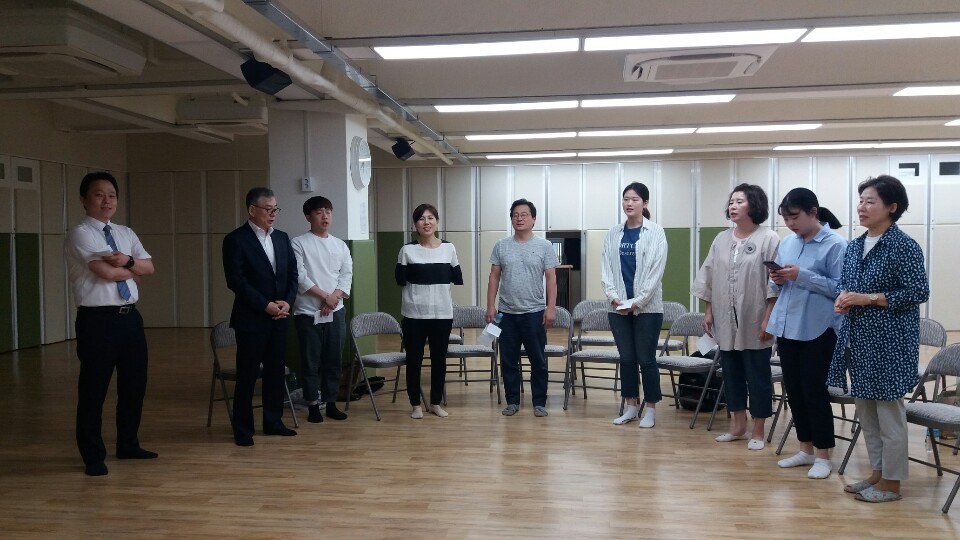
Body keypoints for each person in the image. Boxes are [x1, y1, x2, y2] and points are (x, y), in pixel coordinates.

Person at [828, 175, 929, 503]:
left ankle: (892, 483)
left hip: (890, 343)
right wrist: (843, 297)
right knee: (867, 414)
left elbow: (917, 291)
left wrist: (868, 298)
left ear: (891, 207)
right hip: (858, 340)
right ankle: (878, 473)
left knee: (889, 415)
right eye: (861, 201)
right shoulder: (855, 246)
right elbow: (846, 284)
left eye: (870, 201)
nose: (862, 207)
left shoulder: (904, 246)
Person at [65, 171, 157, 476]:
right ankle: (93, 455)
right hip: (97, 321)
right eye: (99, 194)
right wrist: (134, 270)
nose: (107, 201)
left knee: (134, 385)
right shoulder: (81, 233)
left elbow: (149, 267)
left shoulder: (125, 232)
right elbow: (105, 273)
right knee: (94, 389)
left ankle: (128, 444)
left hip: (130, 318)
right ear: (84, 199)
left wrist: (128, 263)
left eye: (112, 195)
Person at [766, 188, 846, 479]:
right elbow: (778, 286)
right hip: (788, 326)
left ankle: (823, 455)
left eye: (795, 217)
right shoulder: (788, 242)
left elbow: (841, 289)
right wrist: (777, 278)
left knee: (814, 391)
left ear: (813, 212)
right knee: (795, 391)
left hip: (819, 328)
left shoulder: (836, 245)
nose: (790, 223)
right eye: (786, 218)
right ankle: (805, 449)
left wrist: (802, 275)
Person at [692, 183, 779, 450]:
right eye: (731, 201)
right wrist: (709, 311)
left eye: (740, 201)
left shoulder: (769, 238)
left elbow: (775, 284)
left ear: (754, 205)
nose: (733, 206)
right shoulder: (721, 239)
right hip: (725, 319)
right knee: (731, 374)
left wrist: (768, 319)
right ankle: (738, 427)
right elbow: (708, 276)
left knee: (758, 376)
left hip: (755, 318)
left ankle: (758, 430)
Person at [223, 187, 298, 446]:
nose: (273, 214)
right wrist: (265, 305)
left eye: (275, 209)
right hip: (251, 319)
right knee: (247, 375)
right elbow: (236, 281)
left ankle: (273, 422)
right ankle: (243, 429)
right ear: (252, 210)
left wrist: (287, 302)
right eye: (268, 209)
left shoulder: (282, 238)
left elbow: (293, 275)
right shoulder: (236, 239)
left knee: (275, 373)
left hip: (280, 317)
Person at [600, 182, 668, 428]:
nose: (629, 203)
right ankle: (630, 407)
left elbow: (655, 272)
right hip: (617, 307)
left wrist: (637, 302)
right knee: (627, 358)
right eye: (626, 199)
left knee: (646, 359)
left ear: (645, 203)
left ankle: (650, 409)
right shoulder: (613, 233)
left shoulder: (656, 232)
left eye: (635, 199)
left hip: (647, 309)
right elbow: (606, 269)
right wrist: (613, 296)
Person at [486, 198, 558, 417]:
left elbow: (551, 279)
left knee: (538, 360)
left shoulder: (544, 246)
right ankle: (512, 401)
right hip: (505, 314)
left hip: (534, 313)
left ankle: (539, 402)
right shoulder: (501, 245)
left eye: (524, 214)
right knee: (508, 361)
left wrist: (551, 308)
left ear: (533, 219)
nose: (519, 218)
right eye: (515, 215)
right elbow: (494, 277)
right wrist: (490, 306)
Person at [395, 204, 463, 419]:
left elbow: (456, 276)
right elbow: (400, 280)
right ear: (415, 224)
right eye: (421, 219)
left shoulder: (449, 248)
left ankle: (435, 403)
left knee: (439, 360)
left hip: (442, 314)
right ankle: (415, 404)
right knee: (414, 360)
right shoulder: (407, 250)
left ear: (437, 221)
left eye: (430, 218)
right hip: (414, 315)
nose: (426, 222)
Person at [292, 196, 353, 424]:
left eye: (328, 212)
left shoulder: (340, 245)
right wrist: (324, 297)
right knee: (311, 361)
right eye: (319, 212)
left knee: (334, 359)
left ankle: (331, 402)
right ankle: (312, 405)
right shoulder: (298, 243)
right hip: (308, 312)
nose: (325, 216)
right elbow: (300, 277)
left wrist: (333, 297)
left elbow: (346, 275)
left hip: (335, 310)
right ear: (308, 217)